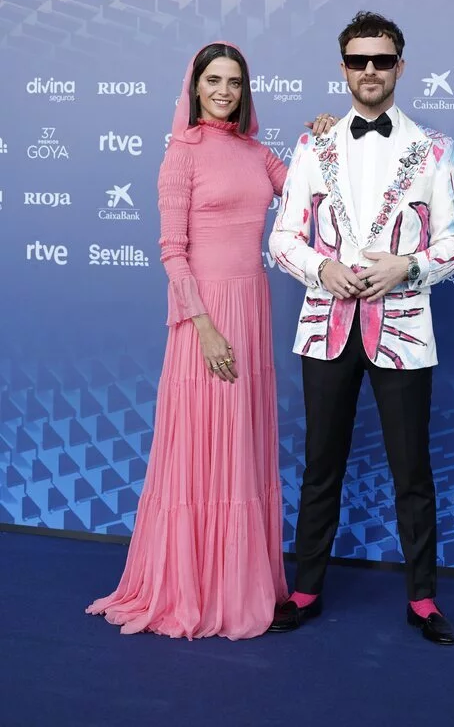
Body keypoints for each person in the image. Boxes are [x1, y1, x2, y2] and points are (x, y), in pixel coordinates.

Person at [86, 41, 336, 640]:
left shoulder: (257, 153)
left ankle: (238, 584)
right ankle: (191, 585)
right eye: (214, 80)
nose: (224, 91)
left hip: (251, 308)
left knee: (241, 442)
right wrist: (203, 327)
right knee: (203, 443)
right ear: (195, 86)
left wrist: (326, 141)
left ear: (245, 90)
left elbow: (311, 193)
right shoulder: (182, 155)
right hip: (205, 319)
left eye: (234, 81)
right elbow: (173, 253)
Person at [268, 12, 454, 645]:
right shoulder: (313, 146)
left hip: (403, 327)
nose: (371, 70)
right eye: (359, 61)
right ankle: (305, 590)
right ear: (344, 69)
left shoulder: (434, 148)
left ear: (400, 67)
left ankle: (423, 599)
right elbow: (283, 238)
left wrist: (409, 266)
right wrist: (320, 268)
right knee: (320, 466)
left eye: (382, 60)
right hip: (326, 325)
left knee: (413, 472)